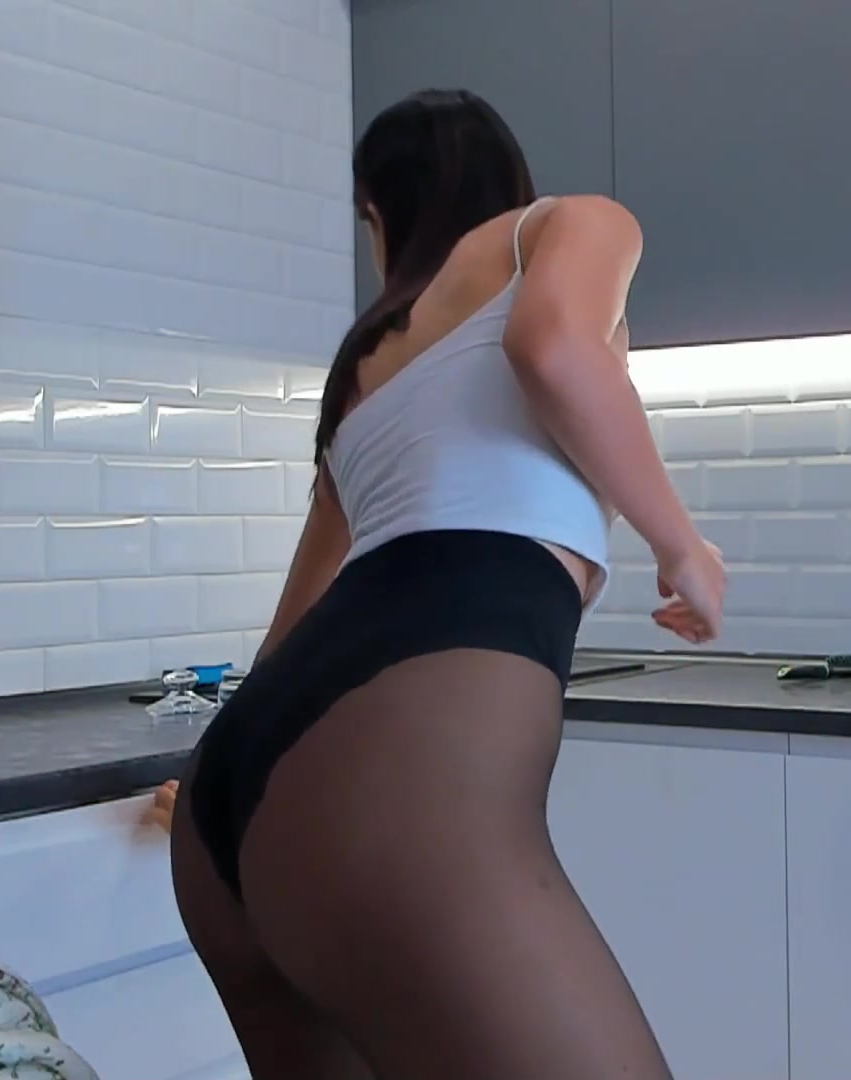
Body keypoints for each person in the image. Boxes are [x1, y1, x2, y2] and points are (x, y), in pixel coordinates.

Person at [169, 88, 725, 1080]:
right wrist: (682, 544)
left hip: (236, 800)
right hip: (387, 786)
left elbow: (291, 630)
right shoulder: (572, 222)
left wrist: (242, 773)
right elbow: (553, 348)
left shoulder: (362, 370)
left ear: (378, 215)